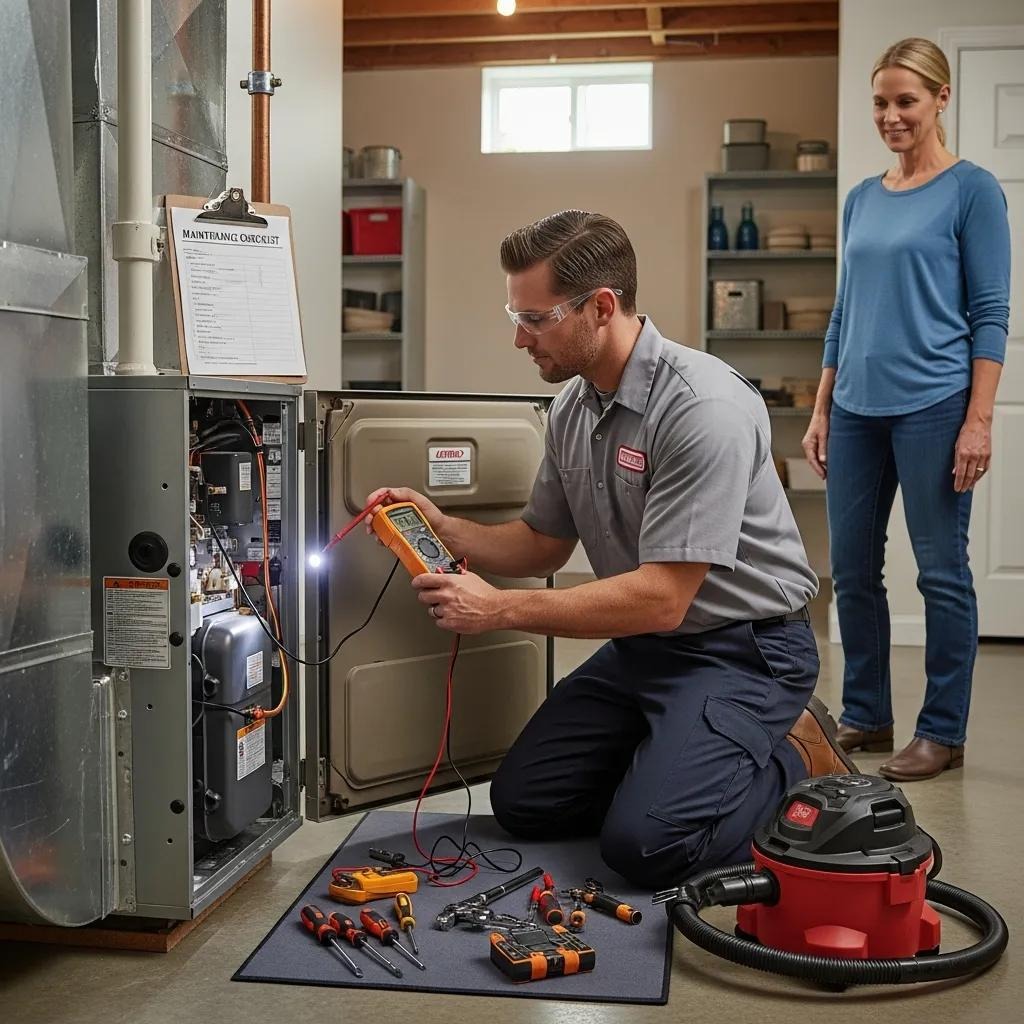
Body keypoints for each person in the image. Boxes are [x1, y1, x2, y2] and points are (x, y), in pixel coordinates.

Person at [368, 210, 855, 889]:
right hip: (647, 648)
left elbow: (662, 597)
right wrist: (446, 528)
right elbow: (542, 542)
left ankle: (793, 758)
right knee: (525, 804)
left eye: (535, 319)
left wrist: (501, 611)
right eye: (516, 315)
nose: (518, 338)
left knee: (648, 849)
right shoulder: (575, 407)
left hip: (745, 652)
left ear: (601, 307)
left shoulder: (702, 407)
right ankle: (678, 756)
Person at [802, 38, 1010, 782]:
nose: (891, 116)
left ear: (940, 99)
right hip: (856, 409)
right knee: (852, 570)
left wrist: (978, 418)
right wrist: (823, 408)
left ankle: (943, 731)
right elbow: (843, 312)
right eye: (881, 103)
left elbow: (990, 314)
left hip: (934, 405)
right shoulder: (862, 196)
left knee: (940, 572)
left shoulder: (972, 191)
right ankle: (867, 711)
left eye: (906, 101)